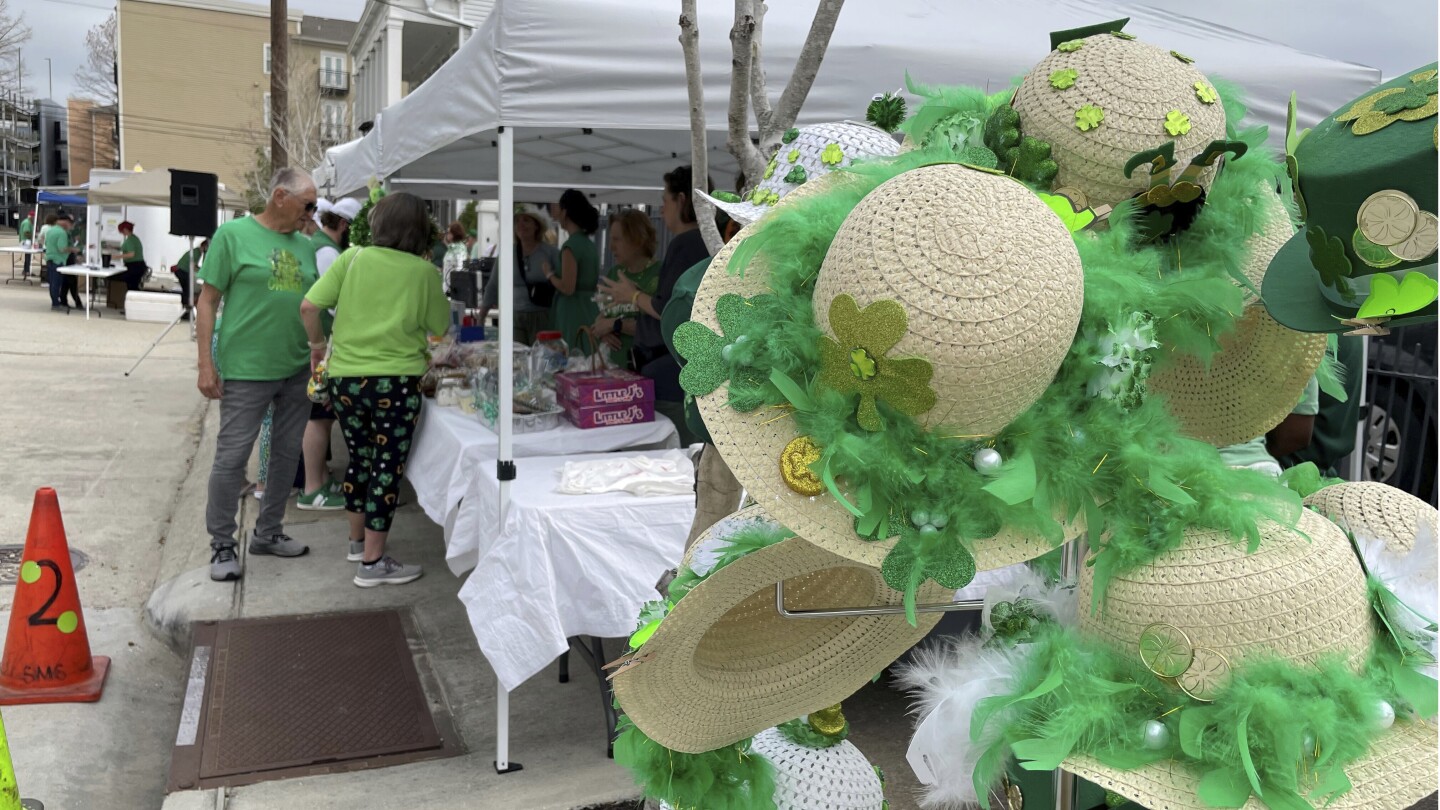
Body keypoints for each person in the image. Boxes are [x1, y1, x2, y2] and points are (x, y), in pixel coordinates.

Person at [300, 192, 450, 587]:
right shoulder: (423, 272)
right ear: (420, 231)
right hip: (397, 381)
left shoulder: (352, 258)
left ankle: (357, 543)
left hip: (346, 379)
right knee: (387, 467)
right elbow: (440, 327)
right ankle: (373, 561)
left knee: (361, 461)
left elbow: (309, 307)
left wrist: (318, 348)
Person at [196, 167, 320, 582]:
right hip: (247, 369)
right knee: (231, 458)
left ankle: (268, 532)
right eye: (308, 204)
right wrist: (205, 364)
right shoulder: (232, 237)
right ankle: (222, 544)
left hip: (296, 367)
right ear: (280, 197)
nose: (312, 213)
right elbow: (207, 302)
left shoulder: (306, 246)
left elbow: (312, 304)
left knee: (286, 455)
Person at [598, 166, 712, 443]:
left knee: (675, 450)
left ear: (682, 200)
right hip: (677, 370)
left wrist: (633, 296)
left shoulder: (685, 243)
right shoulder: (703, 241)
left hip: (670, 373)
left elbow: (667, 308)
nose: (661, 209)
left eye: (665, 201)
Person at [294, 197, 362, 512]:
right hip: (320, 345)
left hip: (320, 344)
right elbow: (331, 302)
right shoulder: (327, 252)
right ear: (345, 225)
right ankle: (313, 489)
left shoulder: (321, 246)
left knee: (322, 414)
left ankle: (319, 479)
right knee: (319, 416)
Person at [478, 205, 557, 345]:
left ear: (536, 226)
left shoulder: (550, 253)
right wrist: (481, 317)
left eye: (526, 220)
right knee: (515, 361)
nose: (521, 225)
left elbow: (562, 286)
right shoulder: (507, 253)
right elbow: (493, 285)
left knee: (541, 361)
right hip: (512, 317)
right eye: (517, 221)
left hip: (543, 318)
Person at [591, 209, 660, 369]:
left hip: (648, 370)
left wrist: (615, 324)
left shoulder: (660, 274)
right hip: (613, 368)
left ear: (638, 239)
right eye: (610, 240)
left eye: (617, 240)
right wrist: (602, 331)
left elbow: (661, 328)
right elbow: (601, 319)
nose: (611, 247)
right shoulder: (614, 274)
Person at [547, 189, 602, 347]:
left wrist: (549, 275)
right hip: (590, 307)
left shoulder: (570, 246)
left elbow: (567, 287)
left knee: (572, 354)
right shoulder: (589, 245)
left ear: (565, 212)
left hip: (572, 311)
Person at [44, 212, 83, 312]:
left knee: (52, 283)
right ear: (66, 222)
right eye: (70, 224)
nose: (71, 227)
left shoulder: (50, 230)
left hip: (49, 258)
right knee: (57, 283)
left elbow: (46, 243)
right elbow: (62, 248)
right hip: (58, 260)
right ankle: (56, 304)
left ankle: (55, 302)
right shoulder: (62, 233)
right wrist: (73, 250)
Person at [173, 238, 209, 321]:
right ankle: (186, 312)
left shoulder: (196, 251)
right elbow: (193, 266)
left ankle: (186, 311)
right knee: (188, 291)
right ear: (204, 247)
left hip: (181, 270)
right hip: (183, 271)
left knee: (187, 291)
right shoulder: (197, 253)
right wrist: (202, 271)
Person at [116, 221, 147, 291]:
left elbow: (131, 254)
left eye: (121, 230)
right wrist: (112, 247)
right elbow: (124, 248)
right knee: (134, 286)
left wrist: (116, 257)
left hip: (134, 267)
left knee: (131, 285)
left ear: (125, 229)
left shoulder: (130, 240)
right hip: (139, 266)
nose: (121, 232)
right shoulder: (134, 238)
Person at [441, 221, 469, 290]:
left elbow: (460, 268)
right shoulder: (451, 248)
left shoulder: (460, 248)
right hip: (447, 285)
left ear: (455, 233)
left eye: (449, 232)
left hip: (453, 288)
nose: (447, 234)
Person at [18, 212, 32, 278]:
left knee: (27, 256)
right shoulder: (27, 222)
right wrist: (33, 237)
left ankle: (25, 270)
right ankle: (26, 270)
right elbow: (26, 232)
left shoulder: (26, 221)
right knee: (28, 256)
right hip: (26, 241)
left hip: (24, 240)